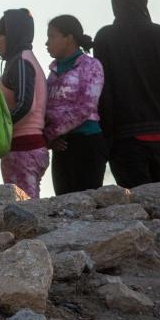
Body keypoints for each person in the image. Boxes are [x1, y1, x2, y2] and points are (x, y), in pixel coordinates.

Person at [94, 0, 160, 188]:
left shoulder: (105, 38)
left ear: (114, 2)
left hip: (125, 139)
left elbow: (105, 93)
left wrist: (105, 140)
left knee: (137, 209)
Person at [44, 15, 106, 195]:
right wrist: (52, 139)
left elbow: (86, 106)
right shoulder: (52, 72)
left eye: (52, 36)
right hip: (61, 146)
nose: (47, 43)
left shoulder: (90, 65)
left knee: (87, 203)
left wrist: (50, 133)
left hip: (86, 144)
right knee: (64, 204)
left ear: (68, 38)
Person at [0, 9, 48, 199]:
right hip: (23, 148)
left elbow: (26, 104)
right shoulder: (20, 61)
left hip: (24, 148)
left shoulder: (21, 62)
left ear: (11, 35)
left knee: (26, 207)